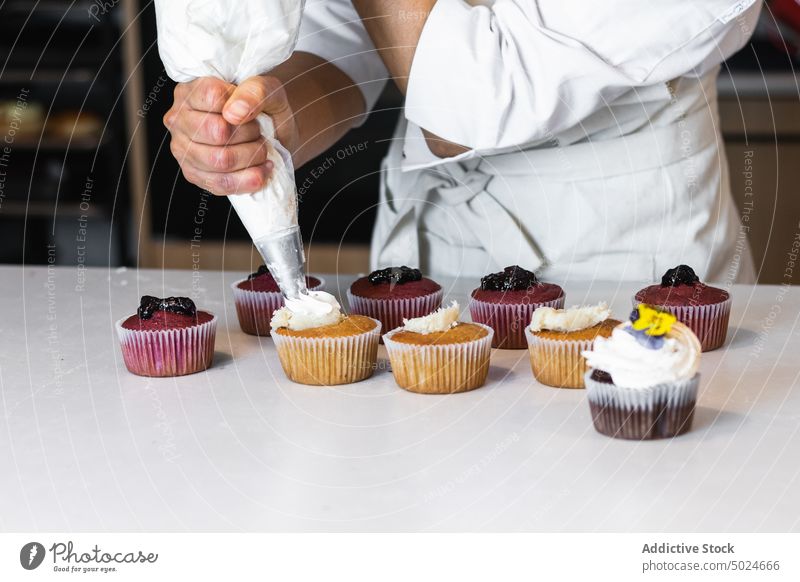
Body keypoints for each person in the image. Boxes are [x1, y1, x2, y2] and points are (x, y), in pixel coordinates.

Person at [164, 0, 760, 283]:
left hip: (627, 280)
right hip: (428, 271)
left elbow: (466, 103)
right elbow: (342, 44)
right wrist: (267, 115)